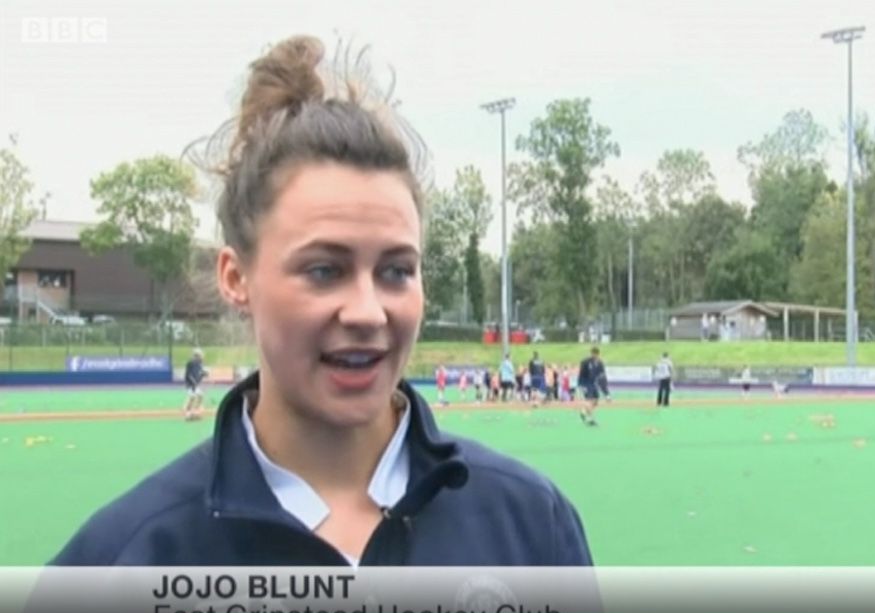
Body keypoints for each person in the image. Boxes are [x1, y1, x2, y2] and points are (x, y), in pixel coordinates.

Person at [50, 36, 591, 566]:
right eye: (324, 270)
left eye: (397, 271)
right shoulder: (124, 560)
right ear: (236, 278)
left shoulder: (531, 527)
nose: (367, 312)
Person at [578, 347, 603, 426]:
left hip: (593, 383)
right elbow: (581, 374)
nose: (595, 356)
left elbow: (601, 373)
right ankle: (591, 419)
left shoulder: (599, 362)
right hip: (585, 383)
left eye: (596, 355)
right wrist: (581, 385)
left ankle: (583, 412)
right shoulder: (585, 362)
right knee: (589, 401)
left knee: (595, 401)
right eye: (593, 354)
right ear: (591, 354)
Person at [183, 348, 209, 421]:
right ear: (197, 356)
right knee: (192, 397)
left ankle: (195, 412)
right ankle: (187, 414)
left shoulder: (199, 364)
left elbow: (199, 375)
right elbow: (188, 375)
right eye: (200, 355)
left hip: (195, 384)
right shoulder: (190, 363)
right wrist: (193, 382)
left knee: (200, 396)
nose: (202, 357)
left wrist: (204, 374)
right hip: (190, 384)